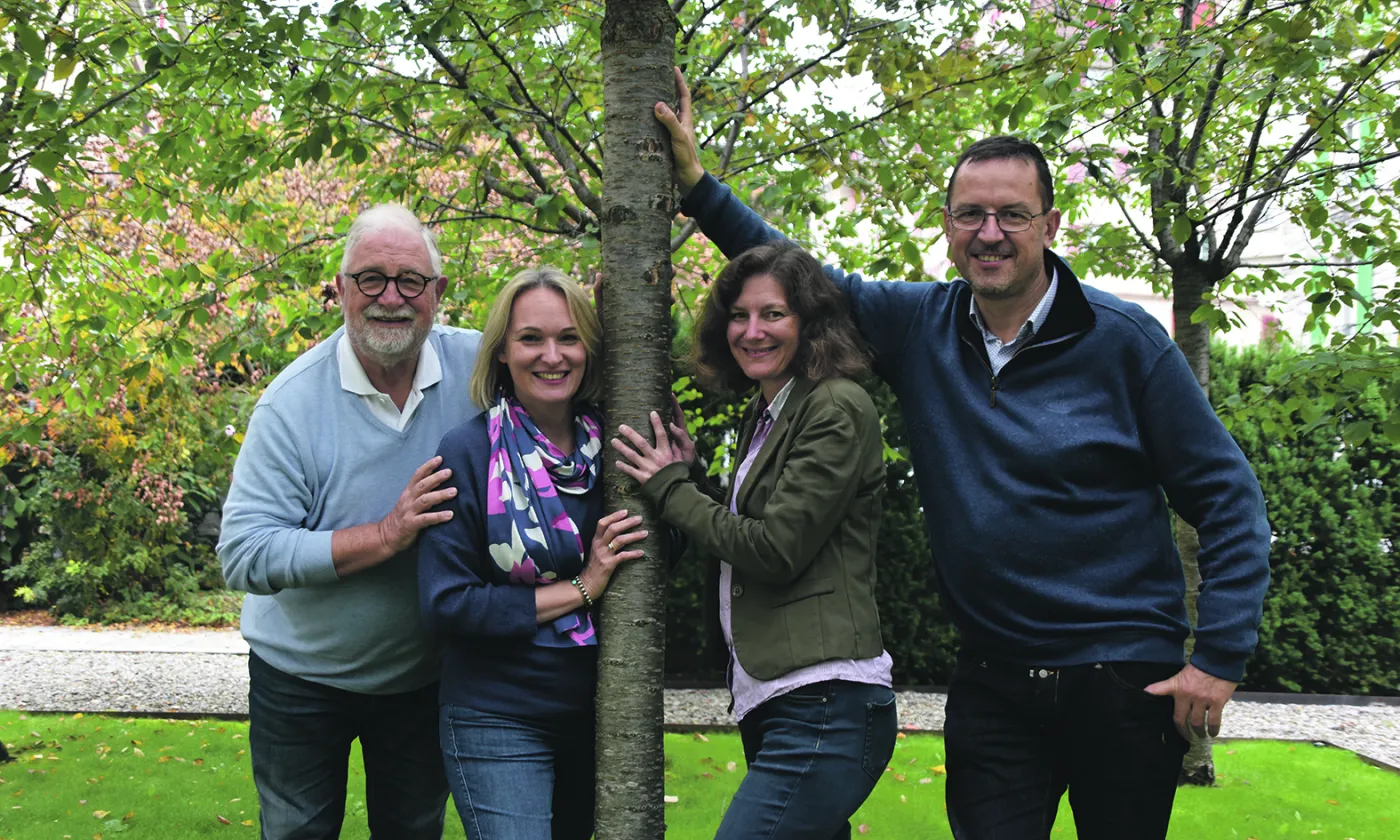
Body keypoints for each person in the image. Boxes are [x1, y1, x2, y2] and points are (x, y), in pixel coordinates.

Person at [653, 69, 1272, 840]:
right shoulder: (921, 326)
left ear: (1051, 224)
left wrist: (1216, 658)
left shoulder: (1126, 344)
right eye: (971, 214)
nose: (990, 233)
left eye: (1012, 214)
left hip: (1123, 678)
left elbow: (1228, 497)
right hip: (994, 680)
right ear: (947, 226)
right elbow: (796, 280)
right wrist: (700, 187)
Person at [611, 241, 897, 840]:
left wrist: (669, 489)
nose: (752, 331)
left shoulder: (835, 406)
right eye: (739, 315)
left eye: (773, 314)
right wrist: (690, 481)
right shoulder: (769, 410)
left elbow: (774, 549)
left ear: (810, 323)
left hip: (825, 702)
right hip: (776, 698)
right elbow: (754, 524)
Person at [218, 204, 481, 838]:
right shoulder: (291, 403)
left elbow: (563, 365)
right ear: (339, 289)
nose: (391, 297)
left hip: (422, 676)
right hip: (300, 678)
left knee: (414, 831)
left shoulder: (480, 370)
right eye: (371, 279)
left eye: (410, 280)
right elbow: (244, 553)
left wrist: (609, 320)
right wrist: (385, 536)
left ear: (438, 293)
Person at [417, 267, 648, 840]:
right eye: (531, 339)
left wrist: (675, 481)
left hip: (604, 714)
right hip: (496, 713)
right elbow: (446, 603)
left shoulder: (616, 449)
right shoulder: (468, 453)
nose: (553, 355)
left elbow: (656, 558)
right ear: (501, 353)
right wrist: (583, 586)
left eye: (569, 337)